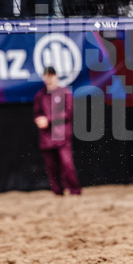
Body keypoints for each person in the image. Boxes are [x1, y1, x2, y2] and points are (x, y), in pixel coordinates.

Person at [33, 66, 80, 196]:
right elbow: (37, 113)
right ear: (43, 78)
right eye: (47, 76)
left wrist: (48, 120)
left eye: (52, 75)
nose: (49, 78)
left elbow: (68, 114)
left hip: (62, 135)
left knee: (67, 164)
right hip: (46, 137)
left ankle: (74, 191)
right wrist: (39, 119)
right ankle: (57, 191)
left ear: (57, 77)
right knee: (51, 166)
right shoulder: (40, 95)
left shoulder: (65, 93)